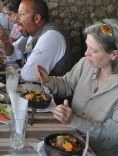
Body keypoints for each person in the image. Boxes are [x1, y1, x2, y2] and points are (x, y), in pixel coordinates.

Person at [36, 19, 118, 155]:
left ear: (114, 55)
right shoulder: (86, 63)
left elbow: (110, 136)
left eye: (94, 51)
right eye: (87, 46)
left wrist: (74, 121)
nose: (86, 54)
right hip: (67, 140)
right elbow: (67, 84)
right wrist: (47, 80)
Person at [0, 0, 73, 84]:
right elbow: (13, 55)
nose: (17, 18)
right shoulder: (31, 33)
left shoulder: (51, 35)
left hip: (50, 95)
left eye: (22, 14)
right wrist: (5, 41)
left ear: (37, 18)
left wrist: (12, 72)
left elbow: (29, 74)